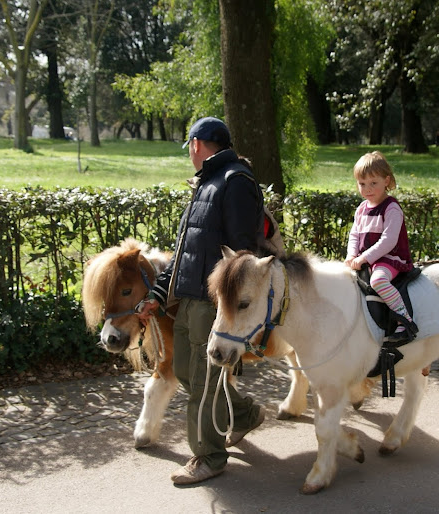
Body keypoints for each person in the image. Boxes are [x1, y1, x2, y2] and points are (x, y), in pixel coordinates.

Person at [138, 116, 266, 486]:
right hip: (189, 298)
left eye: (189, 148)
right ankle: (242, 415)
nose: (189, 155)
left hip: (213, 305)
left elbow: (243, 255)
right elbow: (185, 252)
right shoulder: (207, 183)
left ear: (196, 144)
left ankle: (209, 456)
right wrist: (157, 295)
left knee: (204, 384)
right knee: (184, 373)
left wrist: (229, 311)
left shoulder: (235, 182)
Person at [345, 151, 417, 343]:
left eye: (373, 183)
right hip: (366, 259)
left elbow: (388, 241)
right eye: (362, 184)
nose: (367, 189)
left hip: (388, 259)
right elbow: (354, 234)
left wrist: (364, 258)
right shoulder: (361, 209)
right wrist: (351, 255)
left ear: (387, 180)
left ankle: (405, 320)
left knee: (378, 281)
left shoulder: (391, 208)